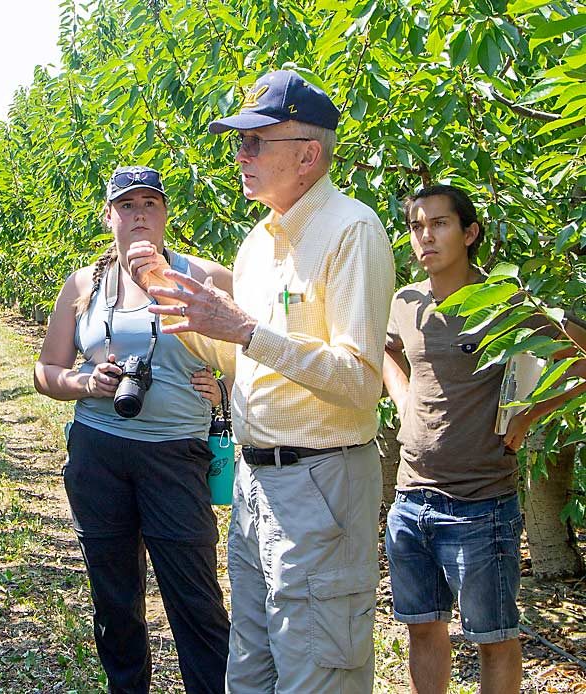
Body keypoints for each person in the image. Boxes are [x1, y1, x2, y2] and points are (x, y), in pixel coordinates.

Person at [128, 69, 396, 692]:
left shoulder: (351, 231)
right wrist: (173, 302)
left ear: (309, 154)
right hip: (255, 483)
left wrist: (244, 328)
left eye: (256, 142)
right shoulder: (258, 243)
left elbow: (361, 382)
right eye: (237, 142)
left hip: (320, 483)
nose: (240, 156)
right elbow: (240, 360)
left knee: (316, 671)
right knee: (250, 668)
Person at [34, 165, 232, 693]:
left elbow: (250, 358)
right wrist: (84, 382)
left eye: (150, 204)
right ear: (109, 217)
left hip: (175, 454)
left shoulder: (206, 277)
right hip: (99, 453)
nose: (139, 214)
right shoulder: (84, 284)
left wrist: (224, 390)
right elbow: (45, 371)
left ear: (166, 215)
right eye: (127, 205)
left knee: (195, 598)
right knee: (115, 601)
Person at [382, 184, 586, 694]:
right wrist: (404, 396)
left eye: (440, 224)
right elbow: (387, 352)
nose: (425, 236)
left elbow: (579, 359)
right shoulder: (405, 302)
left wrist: (530, 415)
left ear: (470, 232)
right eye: (416, 226)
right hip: (411, 499)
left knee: (493, 638)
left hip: (481, 504)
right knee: (423, 630)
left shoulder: (503, 304)